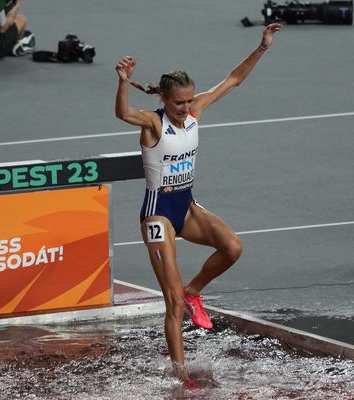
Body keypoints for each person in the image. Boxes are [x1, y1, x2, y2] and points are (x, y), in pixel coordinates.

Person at [114, 23, 282, 383]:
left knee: (232, 247)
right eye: (178, 102)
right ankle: (182, 374)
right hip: (158, 214)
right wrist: (123, 81)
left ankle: (194, 291)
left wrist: (262, 46)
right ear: (163, 99)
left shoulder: (195, 113)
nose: (185, 107)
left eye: (189, 100)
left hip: (186, 207)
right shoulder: (153, 124)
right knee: (170, 301)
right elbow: (122, 114)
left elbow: (234, 79)